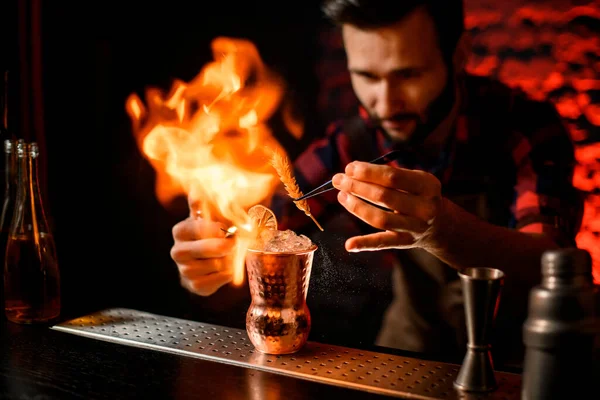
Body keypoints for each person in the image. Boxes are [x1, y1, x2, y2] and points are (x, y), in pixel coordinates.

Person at [170, 0, 583, 366]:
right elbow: (267, 224)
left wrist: (444, 229)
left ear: (458, 55)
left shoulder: (524, 130)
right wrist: (213, 260)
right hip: (410, 351)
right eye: (366, 76)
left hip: (523, 357)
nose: (385, 103)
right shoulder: (354, 140)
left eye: (408, 75)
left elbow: (551, 265)